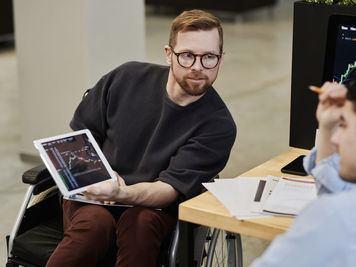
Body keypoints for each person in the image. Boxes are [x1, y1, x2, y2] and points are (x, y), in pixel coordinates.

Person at [46, 9, 236, 267]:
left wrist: (121, 192)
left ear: (221, 58)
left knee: (140, 225)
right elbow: (79, 140)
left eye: (209, 57)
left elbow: (167, 190)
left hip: (153, 208)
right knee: (94, 226)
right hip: (96, 192)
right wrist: (96, 177)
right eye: (187, 55)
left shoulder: (218, 125)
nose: (197, 67)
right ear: (169, 54)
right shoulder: (126, 78)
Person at [251, 64, 356, 266]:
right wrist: (328, 126)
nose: (336, 139)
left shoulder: (335, 218)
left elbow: (341, 213)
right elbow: (343, 199)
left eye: (344, 124)